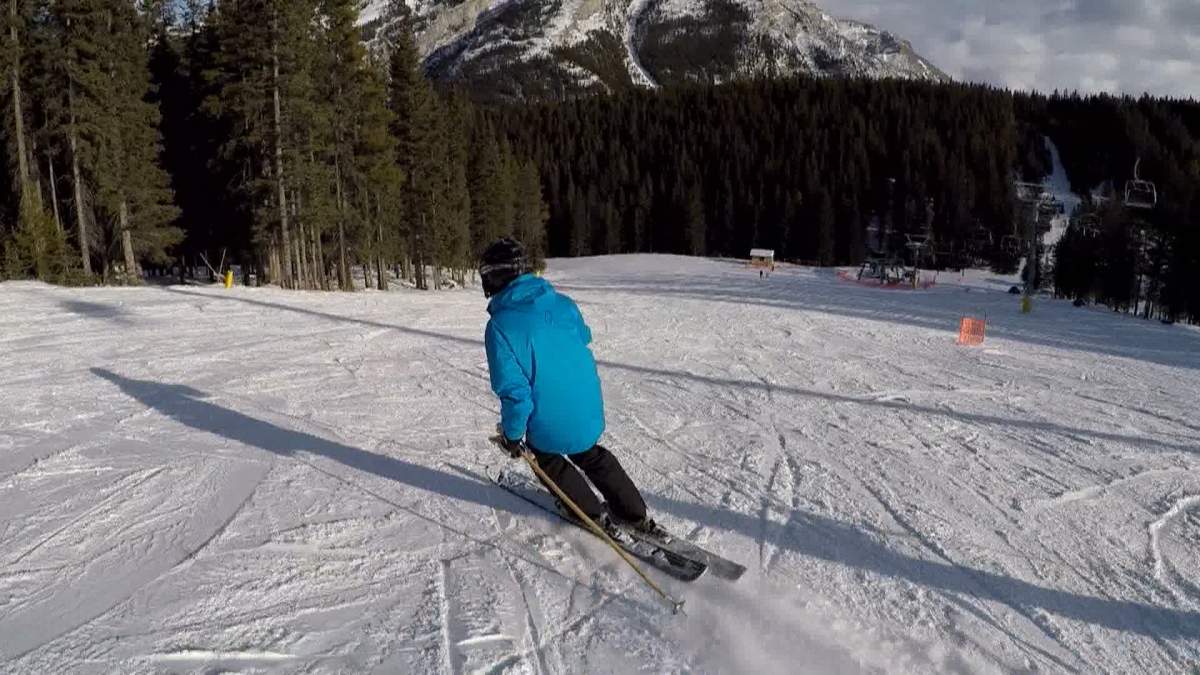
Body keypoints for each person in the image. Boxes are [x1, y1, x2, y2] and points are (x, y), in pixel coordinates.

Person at [479, 237, 666, 539]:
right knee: (588, 452)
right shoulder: (563, 303)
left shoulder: (500, 326)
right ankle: (634, 513)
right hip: (588, 407)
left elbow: (517, 395)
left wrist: (513, 437)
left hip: (553, 420)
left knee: (545, 455)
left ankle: (589, 513)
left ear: (495, 277)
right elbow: (583, 337)